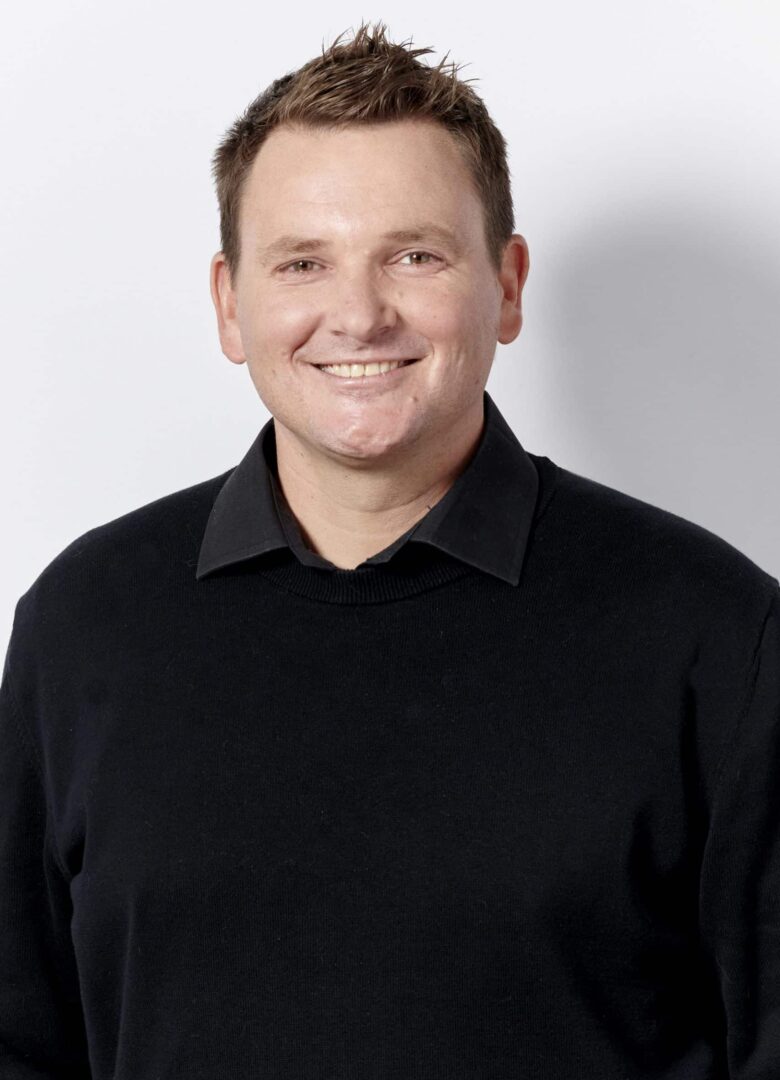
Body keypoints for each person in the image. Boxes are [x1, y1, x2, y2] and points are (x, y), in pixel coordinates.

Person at [1, 21, 778, 1080]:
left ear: (507, 285)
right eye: (304, 263)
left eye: (415, 256)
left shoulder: (715, 633)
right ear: (231, 303)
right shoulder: (85, 623)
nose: (359, 316)